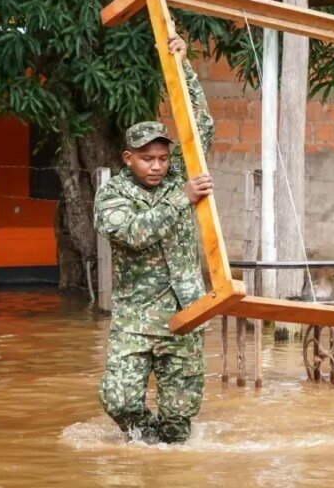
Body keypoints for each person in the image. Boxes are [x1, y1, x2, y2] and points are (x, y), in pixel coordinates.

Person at [93, 36, 215, 444]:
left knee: (180, 415)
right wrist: (182, 200)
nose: (158, 166)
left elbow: (200, 127)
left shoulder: (181, 173)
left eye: (163, 158)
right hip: (136, 315)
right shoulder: (113, 194)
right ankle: (144, 444)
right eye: (148, 158)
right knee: (118, 399)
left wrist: (184, 67)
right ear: (128, 158)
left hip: (184, 311)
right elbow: (133, 234)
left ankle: (167, 461)